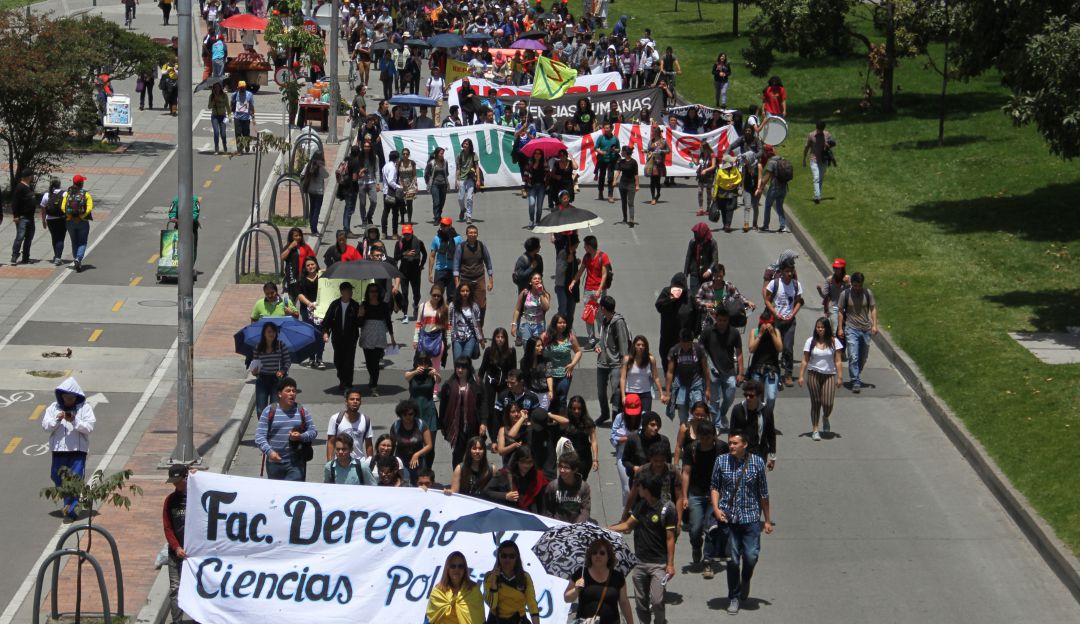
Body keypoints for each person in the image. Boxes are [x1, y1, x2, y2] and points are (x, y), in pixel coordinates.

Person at [711, 431, 774, 615]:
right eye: (730, 443)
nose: (731, 446)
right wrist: (716, 508)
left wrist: (767, 520)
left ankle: (745, 578)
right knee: (732, 560)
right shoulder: (721, 461)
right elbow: (714, 486)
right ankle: (734, 596)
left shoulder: (757, 463)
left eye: (735, 443)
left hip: (751, 518)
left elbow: (763, 493)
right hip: (728, 518)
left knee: (751, 556)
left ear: (744, 445)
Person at [608, 471, 677, 624]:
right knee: (641, 603)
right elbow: (627, 525)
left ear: (647, 489)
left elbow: (670, 538)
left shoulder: (667, 509)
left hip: (658, 564)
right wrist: (607, 529)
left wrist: (670, 564)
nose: (637, 489)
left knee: (657, 600)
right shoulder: (640, 506)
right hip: (639, 563)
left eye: (639, 487)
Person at [43, 377, 96, 520]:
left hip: (77, 451)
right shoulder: (53, 408)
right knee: (56, 476)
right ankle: (69, 504)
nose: (69, 400)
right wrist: (57, 419)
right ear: (61, 396)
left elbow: (89, 428)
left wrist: (74, 420)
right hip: (59, 451)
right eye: (66, 397)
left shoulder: (84, 408)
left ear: (76, 397)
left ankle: (71, 510)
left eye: (71, 397)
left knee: (74, 480)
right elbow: (46, 426)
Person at [680, 420, 728, 578]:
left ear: (714, 436)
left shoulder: (721, 448)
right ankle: (696, 546)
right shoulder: (691, 449)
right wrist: (684, 496)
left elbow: (727, 471)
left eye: (710, 437)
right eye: (703, 437)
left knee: (710, 528)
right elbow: (685, 473)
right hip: (696, 493)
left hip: (715, 495)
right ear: (698, 437)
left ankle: (708, 562)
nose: (707, 441)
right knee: (695, 529)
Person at [254, 377, 317, 481]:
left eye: (294, 391)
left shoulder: (302, 411)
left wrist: (301, 437)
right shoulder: (269, 411)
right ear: (280, 394)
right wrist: (270, 452)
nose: (292, 393)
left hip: (296, 463)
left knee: (293, 493)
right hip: (274, 464)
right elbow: (259, 436)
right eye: (288, 391)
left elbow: (313, 431)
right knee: (277, 494)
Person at [565, 538, 634, 624]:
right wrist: (576, 589)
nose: (598, 555)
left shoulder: (617, 576)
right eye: (594, 553)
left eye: (602, 553)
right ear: (590, 556)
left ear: (608, 556)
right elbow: (567, 598)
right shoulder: (581, 574)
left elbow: (624, 603)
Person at [798, 317, 844, 440]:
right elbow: (805, 360)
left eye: (822, 327)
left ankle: (826, 417)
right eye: (818, 327)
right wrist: (801, 375)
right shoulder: (810, 341)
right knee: (816, 402)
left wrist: (840, 377)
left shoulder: (834, 342)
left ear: (827, 328)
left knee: (828, 403)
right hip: (814, 374)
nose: (820, 329)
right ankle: (815, 429)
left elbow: (838, 361)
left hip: (829, 374)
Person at [700, 308, 745, 430]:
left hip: (729, 370)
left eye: (725, 320)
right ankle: (716, 424)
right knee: (714, 400)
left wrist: (741, 372)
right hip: (712, 372)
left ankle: (722, 413)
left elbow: (739, 353)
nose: (722, 323)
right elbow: (700, 349)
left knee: (730, 397)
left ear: (728, 320)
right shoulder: (708, 332)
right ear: (716, 318)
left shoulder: (734, 333)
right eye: (720, 320)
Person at [439, 357, 486, 467]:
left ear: (468, 369)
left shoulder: (477, 383)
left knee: (474, 452)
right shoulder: (449, 384)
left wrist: (483, 422)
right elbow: (443, 407)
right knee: (458, 454)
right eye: (458, 367)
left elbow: (483, 403)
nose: (460, 370)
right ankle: (457, 478)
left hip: (473, 424)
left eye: (463, 368)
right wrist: (442, 425)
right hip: (456, 426)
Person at [837, 271, 878, 393]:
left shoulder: (867, 293)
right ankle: (855, 380)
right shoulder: (845, 294)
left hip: (866, 329)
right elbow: (840, 311)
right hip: (851, 328)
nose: (857, 288)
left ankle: (856, 373)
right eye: (855, 285)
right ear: (851, 283)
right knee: (853, 356)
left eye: (859, 285)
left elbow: (873, 308)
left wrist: (874, 325)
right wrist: (840, 328)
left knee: (863, 356)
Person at [483, 540, 542, 624]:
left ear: (517, 557)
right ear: (498, 557)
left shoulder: (525, 577)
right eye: (504, 555)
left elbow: (531, 603)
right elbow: (492, 605)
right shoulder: (489, 576)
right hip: (496, 620)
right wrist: (493, 583)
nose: (507, 559)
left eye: (512, 556)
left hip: (519, 619)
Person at [764, 262, 804, 387]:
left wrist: (793, 314)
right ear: (781, 272)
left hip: (790, 322)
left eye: (791, 271)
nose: (789, 274)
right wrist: (775, 313)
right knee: (775, 347)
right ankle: (773, 371)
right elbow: (767, 300)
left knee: (788, 347)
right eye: (787, 271)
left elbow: (798, 302)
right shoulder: (775, 284)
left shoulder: (796, 285)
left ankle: (788, 374)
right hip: (776, 320)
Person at [569, 235, 611, 348]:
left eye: (585, 245)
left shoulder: (603, 256)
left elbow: (604, 275)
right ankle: (591, 339)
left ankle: (603, 340)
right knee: (588, 315)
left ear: (589, 246)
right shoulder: (586, 257)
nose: (583, 247)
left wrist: (599, 290)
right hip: (588, 290)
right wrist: (573, 281)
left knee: (599, 316)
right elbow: (581, 271)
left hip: (599, 291)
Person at [595, 295, 631, 425]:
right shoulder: (604, 320)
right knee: (600, 391)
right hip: (602, 362)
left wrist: (624, 365)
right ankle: (604, 414)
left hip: (616, 363)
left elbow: (623, 344)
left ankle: (616, 418)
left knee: (616, 392)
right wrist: (598, 346)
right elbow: (602, 340)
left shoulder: (618, 322)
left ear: (603, 308)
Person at [162, 464, 190, 624]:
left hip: (195, 553)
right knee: (175, 588)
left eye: (178, 481)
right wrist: (176, 547)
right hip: (176, 553)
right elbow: (167, 527)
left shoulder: (198, 497)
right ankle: (176, 621)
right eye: (173, 482)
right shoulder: (170, 501)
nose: (176, 485)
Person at [665, 328, 711, 424]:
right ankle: (684, 429)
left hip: (696, 384)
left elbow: (706, 370)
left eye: (688, 343)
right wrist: (668, 391)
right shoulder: (674, 350)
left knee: (697, 410)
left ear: (692, 341)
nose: (685, 346)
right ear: (680, 341)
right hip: (681, 385)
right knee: (683, 412)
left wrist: (707, 389)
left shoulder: (699, 349)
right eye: (683, 343)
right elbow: (670, 372)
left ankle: (696, 430)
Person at [322, 282, 362, 392]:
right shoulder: (335, 305)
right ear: (342, 292)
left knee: (349, 361)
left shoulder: (355, 305)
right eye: (348, 290)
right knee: (338, 361)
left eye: (351, 291)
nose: (350, 293)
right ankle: (342, 379)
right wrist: (326, 332)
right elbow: (327, 320)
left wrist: (361, 315)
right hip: (337, 338)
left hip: (351, 338)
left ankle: (348, 384)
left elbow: (360, 324)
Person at [484, 446, 549, 514]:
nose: (526, 465)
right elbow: (486, 491)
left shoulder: (538, 476)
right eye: (523, 462)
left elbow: (542, 502)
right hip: (509, 514)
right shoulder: (504, 474)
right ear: (516, 461)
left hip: (529, 515)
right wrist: (505, 496)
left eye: (530, 462)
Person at [478, 327, 517, 439]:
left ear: (506, 339)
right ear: (494, 338)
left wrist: (512, 383)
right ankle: (493, 437)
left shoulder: (511, 351)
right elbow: (482, 370)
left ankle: (503, 433)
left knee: (503, 409)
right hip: (490, 383)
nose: (500, 339)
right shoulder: (489, 351)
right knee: (490, 410)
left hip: (504, 384)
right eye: (497, 337)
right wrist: (478, 384)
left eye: (502, 337)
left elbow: (513, 370)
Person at [728, 380, 778, 468]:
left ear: (759, 396)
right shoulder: (737, 410)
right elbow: (732, 432)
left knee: (758, 479)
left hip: (759, 451)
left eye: (751, 396)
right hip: (741, 450)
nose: (747, 398)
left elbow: (771, 434)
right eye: (745, 395)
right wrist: (731, 450)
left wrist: (772, 456)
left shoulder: (766, 411)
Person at [426, 551, 485, 624]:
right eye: (453, 566)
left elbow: (479, 619)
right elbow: (429, 619)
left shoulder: (473, 590)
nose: (457, 569)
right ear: (447, 568)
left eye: (460, 566)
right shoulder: (438, 591)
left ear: (465, 569)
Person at [359, 282, 396, 396]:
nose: (374, 294)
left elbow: (388, 321)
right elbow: (359, 324)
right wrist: (360, 314)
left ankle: (374, 385)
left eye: (375, 291)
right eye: (371, 291)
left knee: (376, 362)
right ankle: (372, 378)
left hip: (379, 335)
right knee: (370, 362)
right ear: (368, 293)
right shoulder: (363, 305)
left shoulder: (384, 305)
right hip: (367, 335)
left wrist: (392, 337)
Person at [453, 224, 495, 320]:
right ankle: (466, 324)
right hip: (465, 279)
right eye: (471, 233)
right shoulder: (461, 247)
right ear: (467, 234)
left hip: (479, 279)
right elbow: (456, 266)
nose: (473, 234)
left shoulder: (481, 246)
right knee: (464, 303)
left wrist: (491, 281)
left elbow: (488, 263)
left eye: (475, 233)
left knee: (481, 304)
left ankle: (479, 326)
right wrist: (457, 283)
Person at [544, 313, 582, 416]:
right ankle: (550, 420)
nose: (562, 325)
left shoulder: (570, 337)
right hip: (549, 373)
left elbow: (578, 351)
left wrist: (572, 364)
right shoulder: (547, 336)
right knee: (550, 398)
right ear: (555, 324)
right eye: (560, 322)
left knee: (562, 398)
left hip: (565, 373)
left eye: (564, 322)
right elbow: (538, 346)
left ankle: (562, 423)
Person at [250, 322, 291, 416]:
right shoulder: (258, 347)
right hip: (262, 379)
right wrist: (255, 372)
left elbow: (287, 361)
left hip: (276, 380)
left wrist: (282, 371)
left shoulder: (281, 345)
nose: (272, 334)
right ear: (264, 333)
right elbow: (255, 364)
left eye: (273, 332)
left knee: (274, 408)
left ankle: (272, 428)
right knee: (260, 410)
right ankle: (264, 428)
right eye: (269, 332)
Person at [325, 387, 374, 462]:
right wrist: (329, 463)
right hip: (340, 462)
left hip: (359, 462)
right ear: (346, 402)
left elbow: (369, 444)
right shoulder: (335, 419)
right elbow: (330, 442)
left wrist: (371, 463)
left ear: (360, 402)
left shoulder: (366, 420)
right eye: (352, 399)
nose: (355, 401)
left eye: (358, 399)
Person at [390, 399, 434, 483]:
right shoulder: (396, 426)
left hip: (418, 461)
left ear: (415, 414)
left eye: (410, 414)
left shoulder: (421, 424)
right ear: (400, 415)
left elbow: (429, 445)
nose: (408, 417)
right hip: (401, 460)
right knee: (404, 482)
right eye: (405, 414)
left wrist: (416, 455)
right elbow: (392, 445)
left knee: (419, 483)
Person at [747, 312, 783, 407]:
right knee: (757, 398)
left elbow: (780, 348)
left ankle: (767, 416)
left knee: (771, 397)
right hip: (757, 368)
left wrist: (772, 334)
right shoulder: (754, 331)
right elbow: (751, 349)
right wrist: (760, 334)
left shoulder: (776, 331)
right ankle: (758, 417)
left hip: (772, 368)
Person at [61, 174, 93, 273]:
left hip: (70, 222)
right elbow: (89, 208)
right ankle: (78, 259)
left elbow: (63, 207)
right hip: (82, 222)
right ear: (82, 184)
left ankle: (76, 260)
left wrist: (71, 217)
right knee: (82, 241)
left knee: (74, 241)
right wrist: (80, 217)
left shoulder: (67, 194)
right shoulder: (86, 194)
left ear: (73, 183)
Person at [756, 146, 791, 233]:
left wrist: (760, 187)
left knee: (768, 205)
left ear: (767, 153)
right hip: (784, 188)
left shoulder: (772, 162)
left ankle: (766, 226)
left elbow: (767, 177)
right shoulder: (783, 159)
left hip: (774, 188)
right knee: (779, 206)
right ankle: (783, 226)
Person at [449, 281, 486, 362]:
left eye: (467, 291)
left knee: (465, 360)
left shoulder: (474, 306)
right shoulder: (452, 306)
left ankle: (467, 373)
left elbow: (478, 324)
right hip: (456, 338)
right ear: (459, 292)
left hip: (470, 337)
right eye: (462, 291)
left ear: (470, 292)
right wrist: (448, 338)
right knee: (457, 361)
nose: (465, 293)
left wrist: (481, 339)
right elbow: (450, 323)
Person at [803, 120, 835, 203]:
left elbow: (833, 143)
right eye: (819, 129)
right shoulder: (811, 135)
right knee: (816, 178)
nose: (820, 131)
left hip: (823, 159)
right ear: (816, 128)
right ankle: (817, 196)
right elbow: (806, 147)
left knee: (820, 178)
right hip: (814, 159)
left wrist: (828, 145)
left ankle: (817, 195)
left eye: (821, 129)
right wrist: (804, 159)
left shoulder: (827, 134)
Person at [280, 227, 314, 304]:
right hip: (292, 278)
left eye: (299, 235)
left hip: (303, 277)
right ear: (291, 237)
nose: (298, 237)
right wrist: (290, 248)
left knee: (305, 300)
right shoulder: (289, 247)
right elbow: (282, 257)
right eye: (296, 236)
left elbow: (312, 259)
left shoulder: (305, 247)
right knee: (290, 301)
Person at [10, 168, 37, 265]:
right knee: (20, 237)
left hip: (31, 217)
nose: (33, 177)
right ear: (28, 176)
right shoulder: (20, 187)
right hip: (22, 217)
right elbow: (15, 203)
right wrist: (16, 216)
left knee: (29, 238)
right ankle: (14, 255)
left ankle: (26, 257)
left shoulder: (30, 187)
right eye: (32, 175)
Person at [683, 223, 718, 297]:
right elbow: (688, 257)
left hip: (707, 274)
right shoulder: (693, 242)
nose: (695, 235)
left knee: (707, 296)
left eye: (696, 233)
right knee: (695, 296)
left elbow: (715, 260)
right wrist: (685, 273)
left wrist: (709, 271)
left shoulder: (712, 243)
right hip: (694, 273)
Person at [429, 217, 462, 293]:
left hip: (453, 270)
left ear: (450, 226)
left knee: (451, 296)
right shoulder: (436, 238)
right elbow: (432, 256)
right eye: (442, 225)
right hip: (440, 270)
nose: (443, 227)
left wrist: (461, 271)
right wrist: (430, 273)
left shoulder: (458, 238)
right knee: (437, 294)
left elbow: (461, 255)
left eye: (445, 225)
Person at [818, 258, 850, 334]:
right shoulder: (829, 280)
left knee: (847, 331)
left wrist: (848, 284)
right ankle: (835, 343)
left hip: (847, 308)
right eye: (834, 268)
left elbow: (854, 293)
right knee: (835, 329)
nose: (836, 270)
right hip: (834, 307)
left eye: (838, 268)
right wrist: (819, 290)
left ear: (842, 268)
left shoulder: (848, 279)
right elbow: (824, 295)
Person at [300, 151, 328, 235]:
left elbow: (301, 174)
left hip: (310, 190)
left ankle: (312, 227)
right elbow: (326, 175)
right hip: (319, 192)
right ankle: (314, 229)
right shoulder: (320, 168)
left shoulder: (308, 165)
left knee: (312, 208)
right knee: (316, 210)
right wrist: (321, 166)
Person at [40, 178, 66, 266]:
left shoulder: (47, 195)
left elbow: (43, 209)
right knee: (61, 238)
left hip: (50, 220)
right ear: (59, 184)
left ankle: (56, 256)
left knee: (54, 237)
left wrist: (43, 221)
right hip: (61, 219)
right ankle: (58, 257)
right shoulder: (65, 193)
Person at [612, 146, 639, 226]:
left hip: (631, 184)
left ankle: (631, 219)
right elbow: (618, 172)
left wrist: (637, 185)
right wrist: (614, 180)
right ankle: (624, 218)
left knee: (630, 202)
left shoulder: (633, 162)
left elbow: (636, 175)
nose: (621, 153)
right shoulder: (621, 161)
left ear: (626, 153)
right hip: (622, 184)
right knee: (623, 202)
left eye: (622, 151)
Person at [456, 138, 481, 223]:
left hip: (470, 178)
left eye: (467, 144)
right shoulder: (459, 155)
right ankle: (463, 209)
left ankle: (468, 216)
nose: (465, 145)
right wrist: (456, 180)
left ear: (470, 146)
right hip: (461, 178)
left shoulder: (474, 155)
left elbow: (477, 167)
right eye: (464, 144)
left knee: (469, 198)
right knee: (460, 197)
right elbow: (458, 168)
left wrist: (478, 180)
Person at [522, 149, 547, 228]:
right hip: (532, 187)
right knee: (531, 204)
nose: (537, 155)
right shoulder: (529, 163)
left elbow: (548, 176)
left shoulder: (544, 163)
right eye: (536, 153)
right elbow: (525, 176)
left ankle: (538, 221)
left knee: (539, 206)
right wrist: (533, 166)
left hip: (541, 187)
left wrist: (546, 167)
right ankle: (531, 220)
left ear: (541, 155)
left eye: (539, 153)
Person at [595, 122, 620, 202]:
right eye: (605, 128)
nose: (606, 130)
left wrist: (615, 150)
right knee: (601, 177)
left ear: (611, 129)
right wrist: (600, 152)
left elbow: (618, 149)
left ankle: (610, 195)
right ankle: (600, 192)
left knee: (610, 178)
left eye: (607, 128)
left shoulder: (615, 139)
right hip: (602, 160)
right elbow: (596, 147)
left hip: (611, 160)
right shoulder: (601, 137)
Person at [425, 147, 451, 223]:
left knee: (442, 201)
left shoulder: (445, 162)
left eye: (443, 153)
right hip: (434, 184)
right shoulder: (432, 163)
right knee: (436, 201)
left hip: (443, 184)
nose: (442, 154)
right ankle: (436, 218)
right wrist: (428, 183)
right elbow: (427, 174)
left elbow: (447, 173)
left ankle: (439, 215)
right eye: (441, 153)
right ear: (437, 154)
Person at [645, 126, 668, 205]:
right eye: (654, 132)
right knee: (652, 181)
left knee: (657, 181)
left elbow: (668, 150)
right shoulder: (651, 141)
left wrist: (661, 151)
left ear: (659, 133)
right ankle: (653, 197)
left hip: (659, 162)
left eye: (656, 132)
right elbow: (648, 149)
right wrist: (647, 151)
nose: (654, 134)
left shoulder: (663, 141)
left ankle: (658, 193)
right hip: (651, 162)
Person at [230, 81, 255, 154]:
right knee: (238, 133)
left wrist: (252, 114)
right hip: (237, 117)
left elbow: (251, 104)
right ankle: (239, 149)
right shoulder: (234, 94)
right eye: (241, 87)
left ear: (245, 87)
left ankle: (247, 146)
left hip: (246, 117)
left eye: (243, 87)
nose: (242, 89)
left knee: (246, 133)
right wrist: (232, 108)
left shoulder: (249, 94)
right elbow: (231, 103)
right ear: (238, 87)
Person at [397, 148, 419, 225]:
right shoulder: (399, 163)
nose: (405, 155)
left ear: (409, 155)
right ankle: (402, 218)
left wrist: (415, 184)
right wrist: (398, 184)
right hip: (401, 184)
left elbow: (414, 174)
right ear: (402, 155)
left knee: (409, 203)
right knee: (401, 203)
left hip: (410, 185)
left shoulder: (412, 163)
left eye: (407, 154)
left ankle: (409, 219)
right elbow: (397, 174)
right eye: (404, 154)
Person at [207, 83, 230, 155]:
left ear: (220, 88)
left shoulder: (224, 95)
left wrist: (229, 117)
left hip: (223, 116)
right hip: (215, 117)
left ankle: (224, 145)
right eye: (215, 87)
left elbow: (227, 106)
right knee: (216, 132)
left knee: (223, 134)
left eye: (218, 87)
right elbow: (209, 107)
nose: (217, 89)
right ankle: (216, 147)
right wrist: (214, 100)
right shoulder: (211, 96)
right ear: (213, 88)